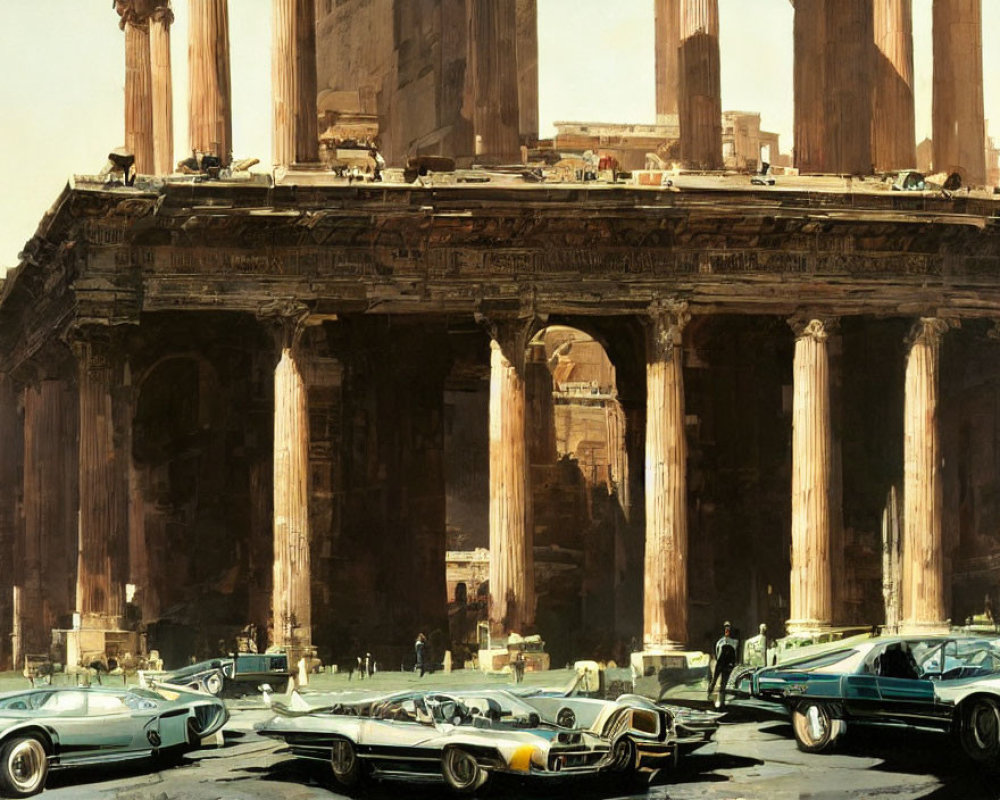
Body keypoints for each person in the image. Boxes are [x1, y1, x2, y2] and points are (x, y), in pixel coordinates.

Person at [708, 621, 739, 707]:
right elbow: (717, 652)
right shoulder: (720, 641)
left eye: (728, 627)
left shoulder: (734, 642)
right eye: (726, 627)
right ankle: (709, 695)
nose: (727, 629)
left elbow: (735, 654)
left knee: (723, 683)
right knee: (714, 680)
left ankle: (722, 702)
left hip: (727, 664)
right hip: (720, 663)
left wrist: (732, 664)